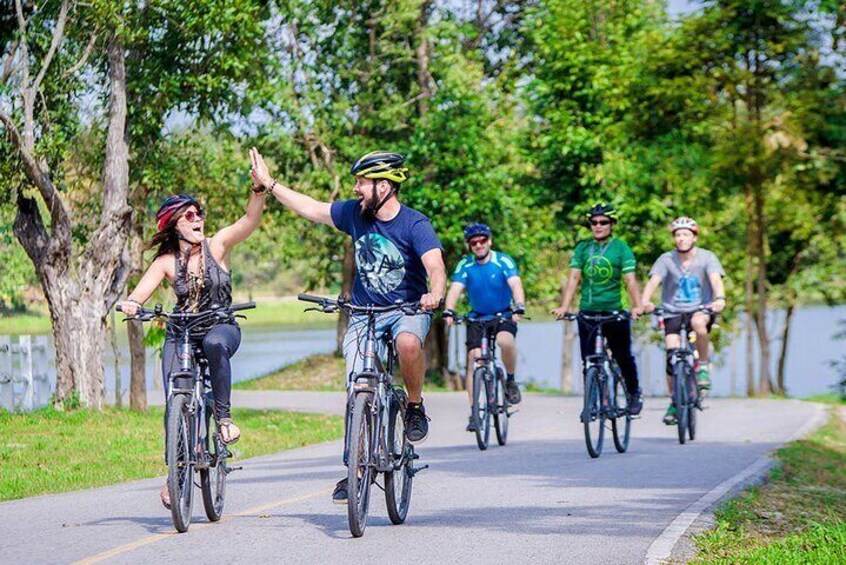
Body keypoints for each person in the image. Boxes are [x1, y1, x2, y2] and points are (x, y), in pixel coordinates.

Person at [249, 147, 446, 503]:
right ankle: (354, 470)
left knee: (407, 343)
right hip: (364, 312)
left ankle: (414, 406)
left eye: (362, 182)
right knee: (358, 389)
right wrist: (270, 183)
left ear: (383, 187)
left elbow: (435, 266)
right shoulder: (355, 215)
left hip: (406, 308)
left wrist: (435, 293)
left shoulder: (415, 224)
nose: (356, 189)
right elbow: (311, 207)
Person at [120, 188, 266, 508]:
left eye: (200, 213)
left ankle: (224, 418)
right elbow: (139, 294)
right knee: (176, 399)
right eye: (190, 215)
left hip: (221, 326)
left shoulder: (218, 245)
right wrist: (131, 304)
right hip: (182, 331)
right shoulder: (166, 262)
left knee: (215, 344)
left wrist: (257, 191)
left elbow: (250, 219)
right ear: (175, 225)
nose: (198, 218)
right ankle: (177, 472)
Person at [551, 203, 644, 415]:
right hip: (588, 312)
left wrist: (637, 306)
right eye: (594, 223)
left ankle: (633, 393)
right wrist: (565, 306)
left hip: (615, 311)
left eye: (603, 222)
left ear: (612, 225)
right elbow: (574, 277)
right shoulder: (583, 248)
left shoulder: (621, 248)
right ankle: (592, 401)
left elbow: (630, 281)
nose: (598, 226)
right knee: (589, 360)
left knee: (623, 356)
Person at [640, 216, 726, 425]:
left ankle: (703, 365)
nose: (681, 239)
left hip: (700, 309)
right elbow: (654, 281)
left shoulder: (707, 257)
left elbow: (715, 279)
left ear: (694, 237)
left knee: (698, 324)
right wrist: (644, 301)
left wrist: (720, 299)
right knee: (671, 356)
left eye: (686, 234)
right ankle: (674, 401)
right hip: (672, 312)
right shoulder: (666, 259)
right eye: (678, 235)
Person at [443, 223, 526, 432]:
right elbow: (454, 290)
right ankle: (474, 413)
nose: (478, 245)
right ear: (470, 246)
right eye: (474, 243)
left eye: (482, 241)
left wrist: (519, 307)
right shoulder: (465, 265)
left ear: (489, 241)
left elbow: (516, 284)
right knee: (473, 360)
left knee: (504, 342)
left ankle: (510, 381)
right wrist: (449, 310)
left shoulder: (503, 260)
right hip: (477, 317)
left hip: (503, 314)